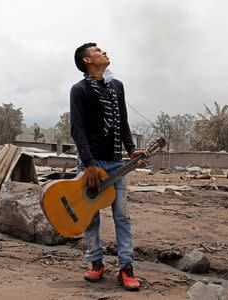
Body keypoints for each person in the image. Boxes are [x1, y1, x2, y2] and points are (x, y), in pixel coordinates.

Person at [70, 42, 146, 291]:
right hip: (90, 162)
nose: (104, 52)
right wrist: (89, 164)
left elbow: (122, 121)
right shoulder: (79, 90)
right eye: (97, 51)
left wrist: (131, 148)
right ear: (87, 61)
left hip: (115, 162)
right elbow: (77, 129)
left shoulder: (117, 87)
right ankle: (96, 263)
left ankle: (126, 268)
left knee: (121, 215)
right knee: (90, 215)